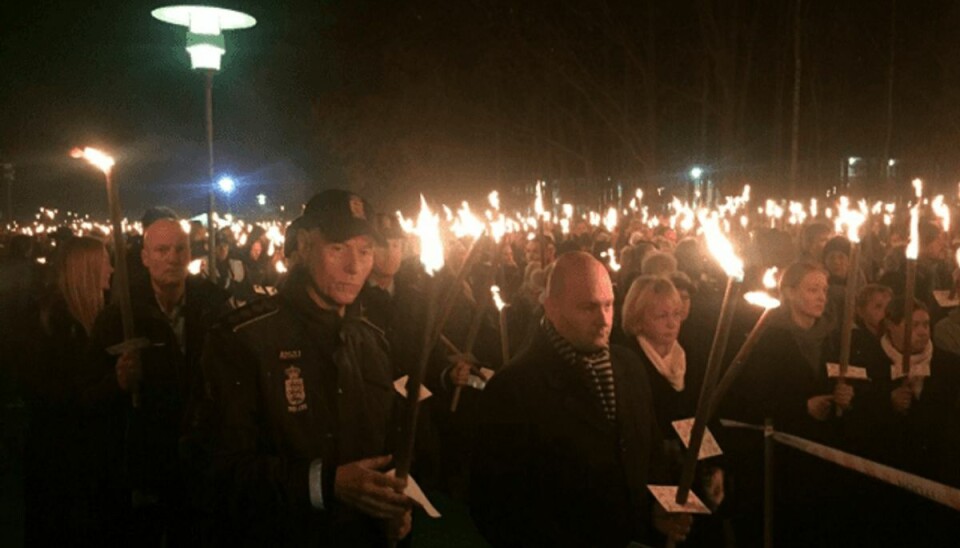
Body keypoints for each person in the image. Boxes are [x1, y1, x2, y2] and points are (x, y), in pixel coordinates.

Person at [201, 189, 413, 546]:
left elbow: (384, 446)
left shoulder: (372, 341)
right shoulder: (244, 340)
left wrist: (392, 508)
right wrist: (324, 483)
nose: (354, 266)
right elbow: (217, 469)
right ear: (303, 245)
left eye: (364, 251)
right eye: (338, 248)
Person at [471, 252, 691, 547]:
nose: (603, 320)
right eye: (588, 308)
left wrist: (655, 510)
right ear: (551, 307)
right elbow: (495, 506)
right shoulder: (515, 387)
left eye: (609, 305)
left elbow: (648, 454)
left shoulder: (628, 366)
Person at [89, 217, 232, 545]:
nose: (172, 257)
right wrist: (118, 382)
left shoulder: (213, 306)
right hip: (145, 461)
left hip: (202, 456)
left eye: (180, 248)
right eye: (162, 249)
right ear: (145, 257)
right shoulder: (120, 316)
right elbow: (87, 392)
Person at [18, 237, 117, 544]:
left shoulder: (93, 320)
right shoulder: (55, 327)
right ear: (86, 270)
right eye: (105, 262)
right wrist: (116, 383)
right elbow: (67, 400)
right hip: (64, 469)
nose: (112, 270)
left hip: (80, 466)